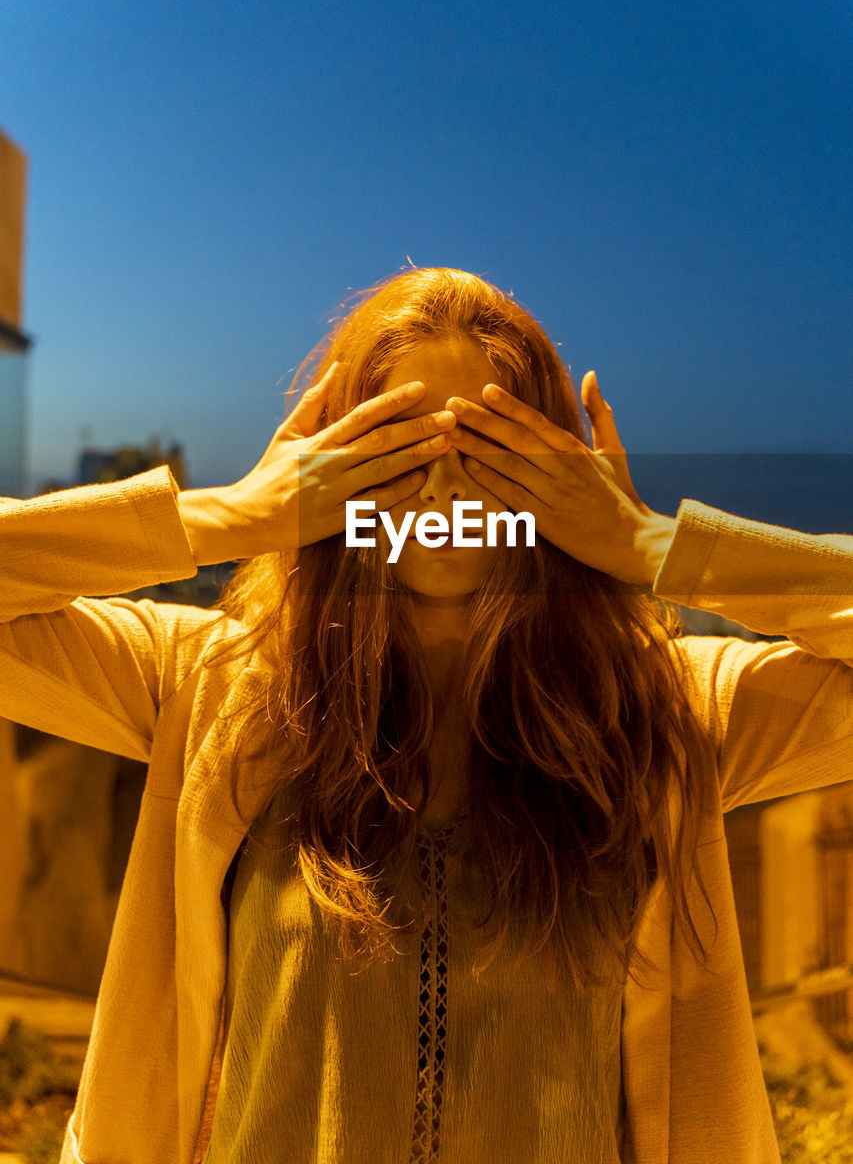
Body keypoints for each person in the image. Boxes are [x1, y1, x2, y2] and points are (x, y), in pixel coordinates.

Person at [0, 266, 851, 1164]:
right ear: (331, 468)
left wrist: (650, 542)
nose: (442, 492)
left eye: (491, 452)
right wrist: (231, 514)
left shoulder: (669, 714)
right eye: (397, 446)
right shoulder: (209, 688)